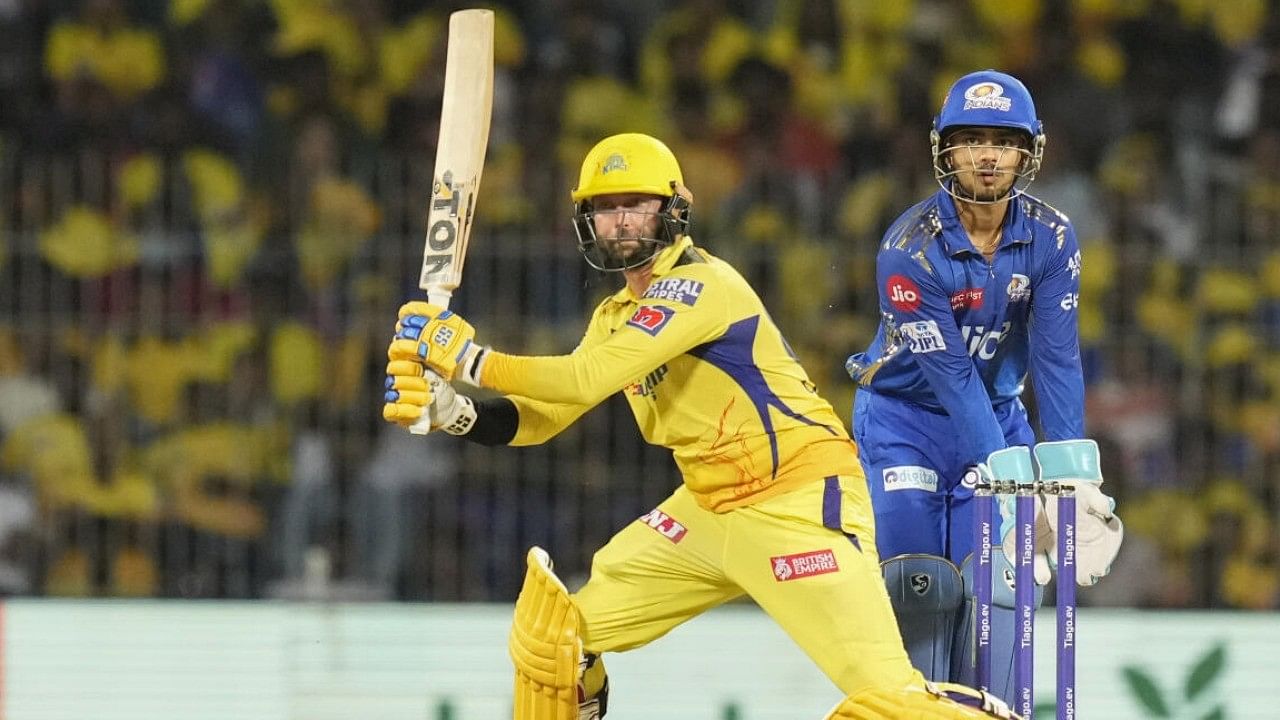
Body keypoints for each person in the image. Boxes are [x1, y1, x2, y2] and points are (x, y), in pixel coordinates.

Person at [382, 133, 1021, 719]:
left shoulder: (702, 287)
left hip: (795, 501)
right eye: (608, 208)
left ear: (674, 209)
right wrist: (453, 410)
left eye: (638, 204)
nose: (624, 220)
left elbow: (582, 379)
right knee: (553, 641)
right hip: (707, 511)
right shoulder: (613, 316)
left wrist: (468, 360)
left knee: (888, 700)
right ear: (588, 222)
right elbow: (544, 418)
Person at [845, 70, 1123, 706]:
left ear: (1030, 151)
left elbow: (1055, 360)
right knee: (916, 582)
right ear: (945, 148)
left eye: (1004, 140)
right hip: (904, 421)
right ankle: (914, 713)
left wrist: (1075, 478)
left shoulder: (1052, 238)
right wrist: (1018, 479)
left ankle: (989, 714)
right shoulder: (908, 250)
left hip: (998, 413)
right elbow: (949, 376)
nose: (988, 155)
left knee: (999, 583)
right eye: (971, 139)